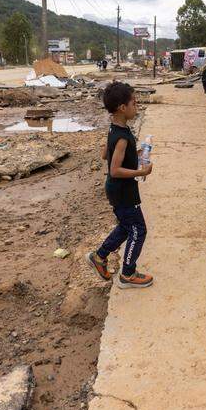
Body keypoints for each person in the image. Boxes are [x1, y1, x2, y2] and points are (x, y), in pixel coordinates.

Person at [85, 82, 154, 288]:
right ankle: (128, 274)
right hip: (123, 191)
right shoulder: (122, 136)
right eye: (134, 102)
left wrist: (138, 153)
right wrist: (141, 171)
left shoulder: (115, 128)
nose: (137, 106)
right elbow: (115, 169)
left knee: (126, 227)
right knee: (139, 230)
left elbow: (105, 154)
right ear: (122, 108)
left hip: (117, 190)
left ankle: (99, 257)